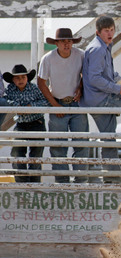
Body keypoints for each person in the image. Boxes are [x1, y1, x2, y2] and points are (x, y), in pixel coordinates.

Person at [80, 15, 121, 184]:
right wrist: (118, 88)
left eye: (111, 30)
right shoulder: (99, 49)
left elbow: (107, 74)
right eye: (106, 31)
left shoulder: (103, 46)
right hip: (103, 99)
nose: (110, 33)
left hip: (97, 99)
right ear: (98, 32)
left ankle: (112, 178)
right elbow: (94, 78)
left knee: (108, 138)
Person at [38, 28, 89, 184]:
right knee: (58, 146)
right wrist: (54, 105)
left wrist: (80, 88)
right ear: (57, 43)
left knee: (81, 144)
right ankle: (62, 183)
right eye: (63, 41)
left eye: (69, 41)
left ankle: (80, 181)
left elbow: (86, 75)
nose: (67, 44)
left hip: (76, 103)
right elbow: (41, 82)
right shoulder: (48, 58)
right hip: (57, 102)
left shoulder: (80, 55)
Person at [3, 64, 49, 183]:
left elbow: (44, 102)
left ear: (27, 78)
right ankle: (22, 183)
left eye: (23, 77)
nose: (20, 80)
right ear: (13, 80)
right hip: (21, 124)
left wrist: (30, 107)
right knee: (17, 153)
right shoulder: (10, 89)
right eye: (17, 78)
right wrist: (17, 107)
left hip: (37, 123)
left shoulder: (34, 88)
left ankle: (34, 184)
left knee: (36, 156)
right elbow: (7, 100)